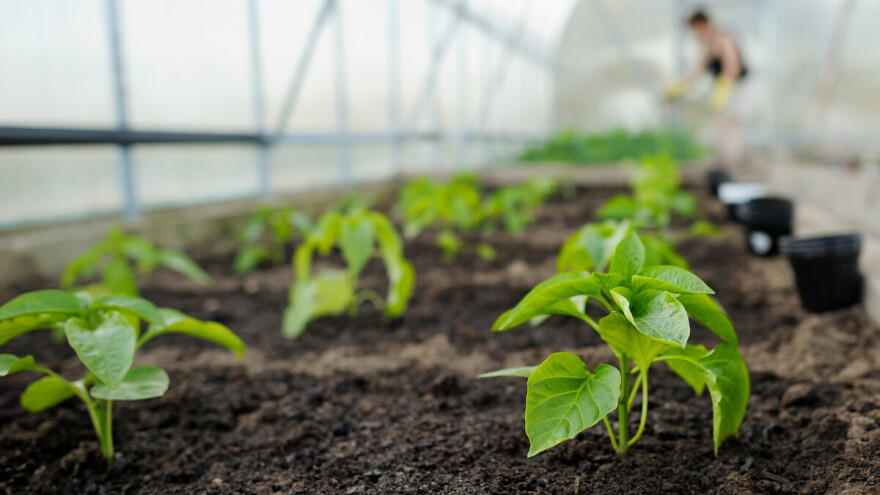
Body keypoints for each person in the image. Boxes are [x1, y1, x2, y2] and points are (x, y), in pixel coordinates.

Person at [665, 9, 753, 171]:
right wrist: (681, 85)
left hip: (738, 87)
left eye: (694, 29)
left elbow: (733, 66)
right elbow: (699, 67)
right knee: (722, 125)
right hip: (726, 87)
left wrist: (723, 89)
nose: (694, 33)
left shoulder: (724, 38)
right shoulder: (709, 43)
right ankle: (725, 164)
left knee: (730, 124)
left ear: (701, 24)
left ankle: (732, 165)